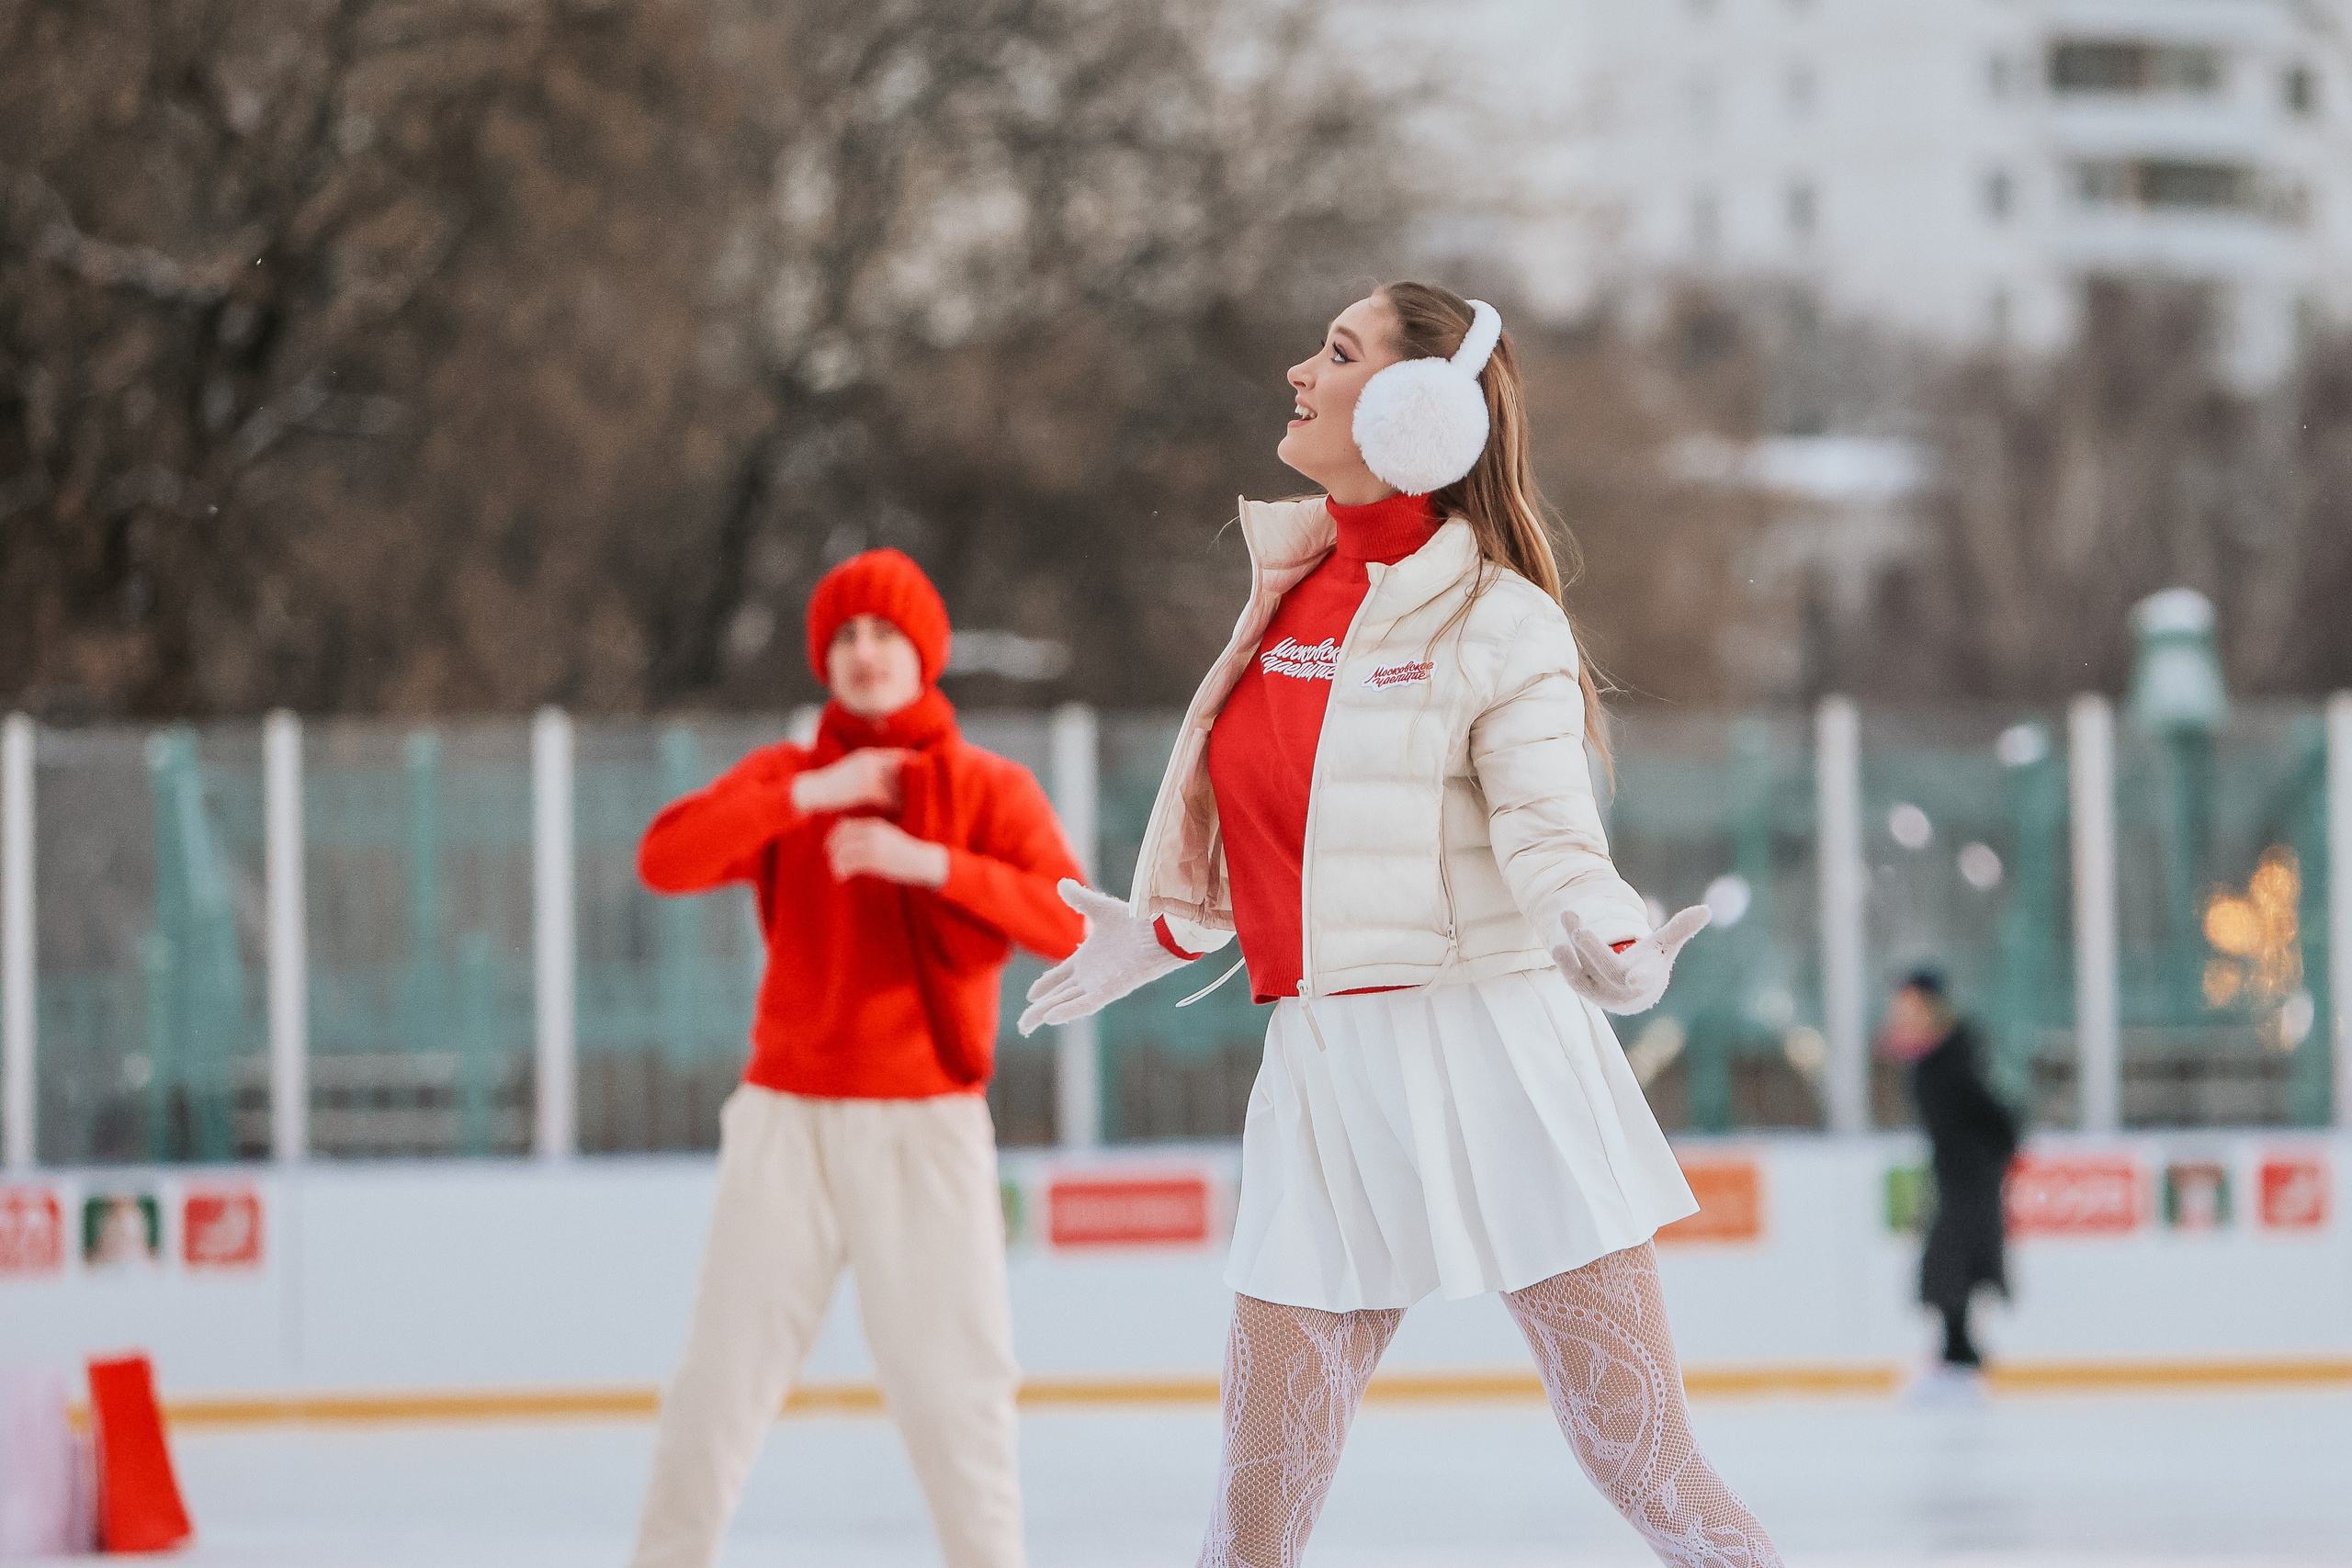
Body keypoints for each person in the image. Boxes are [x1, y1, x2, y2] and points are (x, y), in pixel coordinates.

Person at [1020, 283, 1783, 1568]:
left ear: (1423, 410)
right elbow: (1294, 828)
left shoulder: (1499, 619)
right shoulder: (1287, 588)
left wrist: (1609, 932)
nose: (1296, 371)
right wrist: (1160, 931)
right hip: (1324, 1074)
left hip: (1496, 1053)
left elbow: (1550, 834)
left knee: (1642, 1458)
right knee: (1251, 1519)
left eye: (1335, 350)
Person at [626, 548, 1086, 1568]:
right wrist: (811, 795)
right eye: (843, 635)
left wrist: (932, 864)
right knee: (718, 1386)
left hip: (924, 1124)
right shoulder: (792, 778)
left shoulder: (983, 785)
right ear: (820, 659)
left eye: (885, 632)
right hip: (783, 1121)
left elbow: (1072, 922)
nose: (865, 652)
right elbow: (666, 859)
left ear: (926, 649)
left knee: (955, 1394)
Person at [1881, 967, 2018, 1386]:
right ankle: (1957, 1348)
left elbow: (1987, 1108)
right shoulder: (1932, 1053)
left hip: (1970, 1170)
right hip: (1954, 1168)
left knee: (1954, 1256)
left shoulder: (1952, 1054)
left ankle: (1959, 1352)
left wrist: (1998, 1145)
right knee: (1948, 1257)